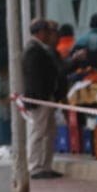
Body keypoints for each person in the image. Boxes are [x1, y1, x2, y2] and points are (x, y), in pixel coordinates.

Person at [22, 19, 66, 179]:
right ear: (40, 33)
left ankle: (45, 165)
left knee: (49, 131)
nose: (49, 35)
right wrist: (40, 97)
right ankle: (35, 166)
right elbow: (34, 78)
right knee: (38, 131)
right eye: (47, 32)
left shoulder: (42, 49)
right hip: (39, 99)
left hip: (47, 97)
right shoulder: (33, 50)